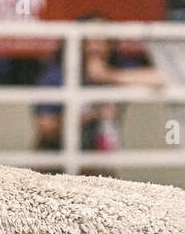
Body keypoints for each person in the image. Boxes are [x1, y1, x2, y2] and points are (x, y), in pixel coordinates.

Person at [33, 16, 163, 169]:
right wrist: (90, 114)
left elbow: (163, 78)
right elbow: (46, 128)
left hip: (100, 165)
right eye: (89, 40)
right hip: (56, 161)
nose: (95, 47)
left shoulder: (116, 67)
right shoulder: (58, 73)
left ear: (111, 44)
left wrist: (108, 76)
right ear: (77, 44)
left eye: (102, 41)